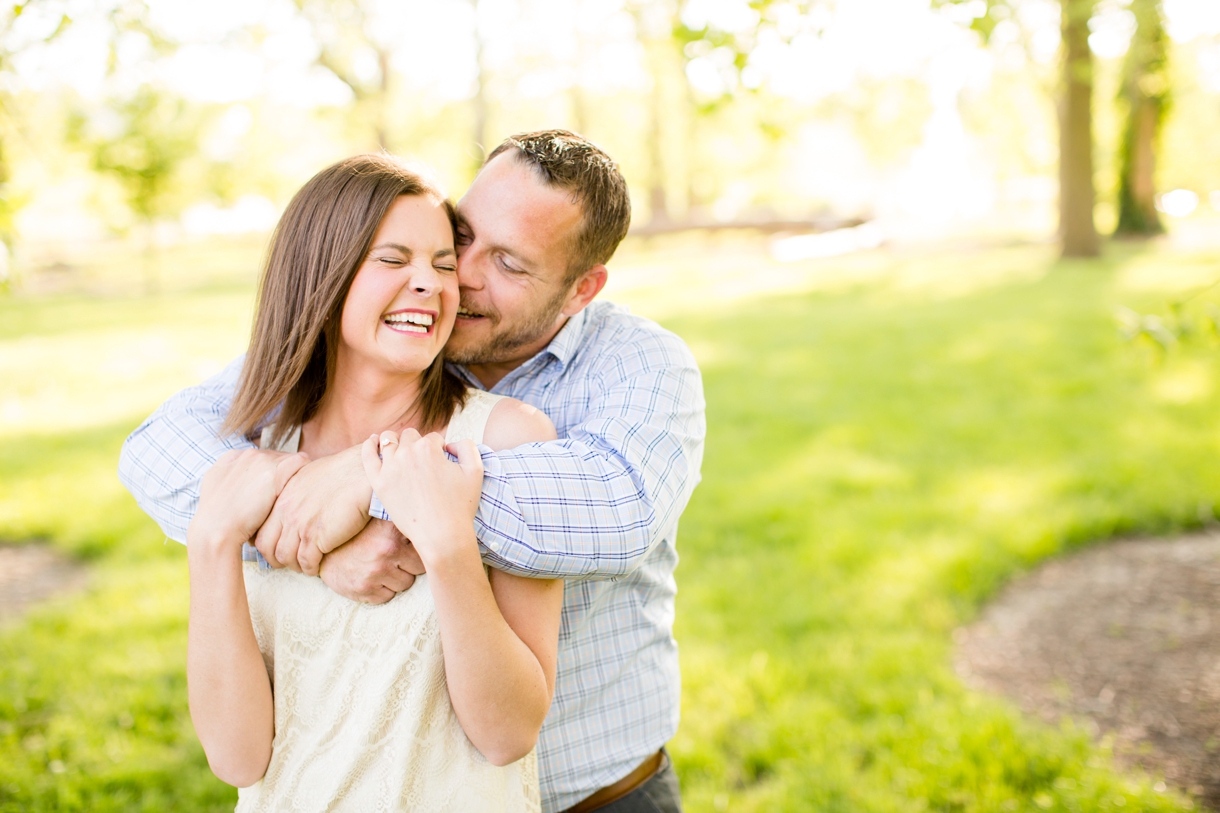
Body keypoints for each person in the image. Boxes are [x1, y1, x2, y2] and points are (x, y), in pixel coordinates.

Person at [120, 130, 706, 813]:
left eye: (510, 264)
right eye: (462, 236)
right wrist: (310, 535)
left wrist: (371, 482)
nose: (458, 275)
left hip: (594, 791)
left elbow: (615, 509)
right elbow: (160, 445)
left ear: (581, 290)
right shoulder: (355, 366)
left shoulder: (632, 369)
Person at [183, 154, 563, 811]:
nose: (432, 284)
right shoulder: (258, 461)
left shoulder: (508, 441)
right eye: (394, 259)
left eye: (444, 264)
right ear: (321, 276)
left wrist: (448, 547)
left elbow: (508, 734)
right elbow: (236, 756)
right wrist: (212, 541)